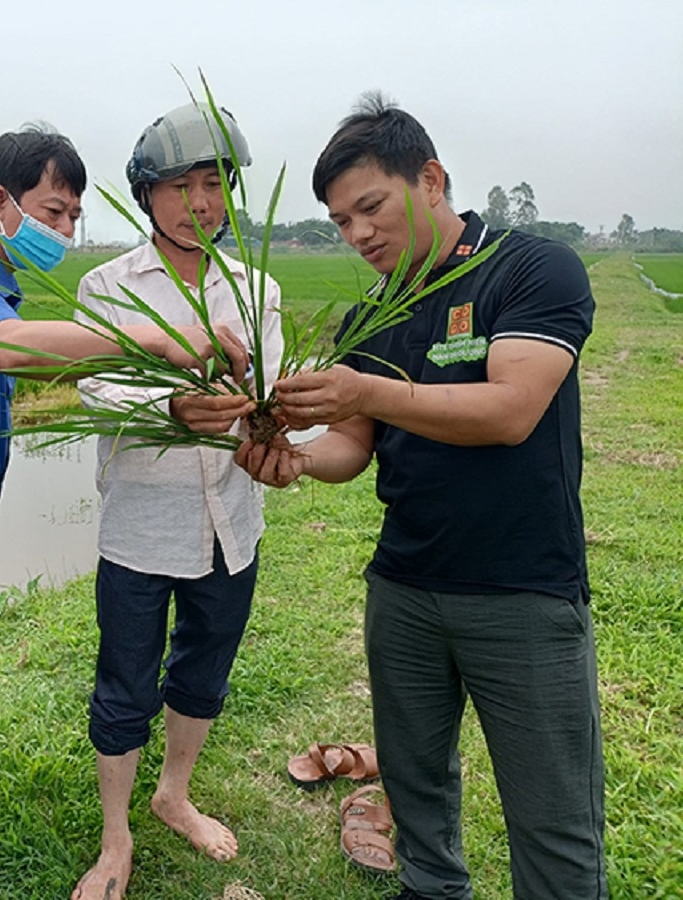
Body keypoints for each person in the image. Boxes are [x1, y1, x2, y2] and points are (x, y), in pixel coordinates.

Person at [0, 124, 247, 900]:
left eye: (71, 218)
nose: (63, 232)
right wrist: (151, 338)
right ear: (1, 203)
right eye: (51, 212)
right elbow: (14, 347)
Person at [236, 94, 606, 899]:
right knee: (417, 787)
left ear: (430, 180)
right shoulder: (372, 315)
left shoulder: (529, 268)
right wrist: (297, 459)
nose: (359, 234)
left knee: (552, 817)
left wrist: (365, 390)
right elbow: (353, 447)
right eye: (341, 222)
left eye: (370, 207)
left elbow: (510, 412)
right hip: (404, 586)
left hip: (522, 591)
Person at [69, 104, 281, 900]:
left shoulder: (254, 289)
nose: (202, 201)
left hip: (232, 526)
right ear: (146, 195)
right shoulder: (108, 287)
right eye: (182, 184)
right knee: (124, 681)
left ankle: (174, 794)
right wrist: (170, 405)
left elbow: (273, 399)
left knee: (204, 667)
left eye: (215, 182)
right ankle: (115, 835)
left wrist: (259, 402)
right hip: (141, 530)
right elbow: (96, 385)